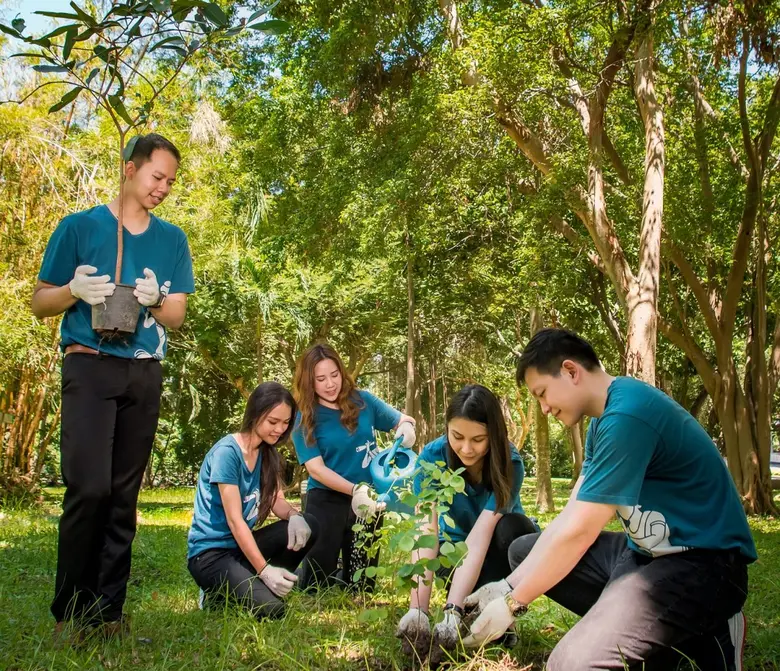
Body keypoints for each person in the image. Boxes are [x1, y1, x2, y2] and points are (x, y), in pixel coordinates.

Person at [463, 328, 757, 671]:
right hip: (646, 555)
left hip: (706, 565)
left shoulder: (628, 415)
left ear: (571, 371)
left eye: (542, 393)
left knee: (569, 664)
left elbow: (582, 530)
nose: (543, 409)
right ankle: (661, 644)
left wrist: (513, 604)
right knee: (523, 550)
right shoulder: (601, 424)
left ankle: (713, 627)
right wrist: (505, 587)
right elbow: (570, 517)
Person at [32, 134, 194, 640]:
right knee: (89, 488)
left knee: (123, 496)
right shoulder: (79, 227)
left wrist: (154, 300)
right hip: (88, 366)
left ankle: (107, 612)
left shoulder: (172, 240)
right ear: (129, 169)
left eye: (169, 180)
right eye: (156, 176)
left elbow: (178, 315)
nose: (163, 187)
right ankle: (70, 613)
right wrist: (72, 291)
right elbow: (40, 302)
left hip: (144, 372)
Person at [395, 384, 537, 662]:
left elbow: (482, 533)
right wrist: (419, 610)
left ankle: (497, 612)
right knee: (456, 594)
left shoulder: (510, 462)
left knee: (513, 530)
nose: (466, 449)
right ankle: (467, 613)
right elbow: (426, 531)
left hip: (499, 551)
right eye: (457, 436)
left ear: (493, 435)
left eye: (479, 439)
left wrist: (452, 611)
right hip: (456, 557)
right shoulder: (431, 460)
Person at [292, 342, 416, 591]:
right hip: (327, 499)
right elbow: (315, 469)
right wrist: (354, 490)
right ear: (309, 382)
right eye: (321, 378)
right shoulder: (303, 417)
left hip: (369, 500)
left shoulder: (364, 401)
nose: (330, 384)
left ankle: (345, 573)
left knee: (362, 585)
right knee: (316, 586)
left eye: (335, 375)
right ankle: (314, 571)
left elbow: (401, 420)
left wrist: (406, 427)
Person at [188, 382, 317, 619]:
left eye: (286, 422)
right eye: (273, 421)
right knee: (273, 610)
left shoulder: (266, 452)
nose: (280, 429)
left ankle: (259, 584)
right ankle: (216, 594)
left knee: (310, 526)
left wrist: (295, 516)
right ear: (255, 414)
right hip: (211, 556)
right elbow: (236, 522)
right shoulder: (227, 453)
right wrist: (264, 570)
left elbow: (274, 501)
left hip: (240, 549)